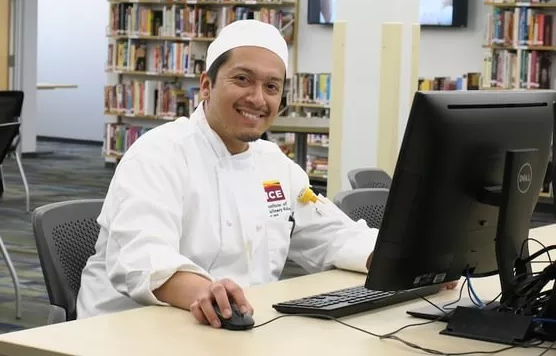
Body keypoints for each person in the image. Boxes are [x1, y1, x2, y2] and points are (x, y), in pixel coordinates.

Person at [76, 19, 454, 327]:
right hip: (136, 333)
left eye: (271, 87)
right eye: (242, 79)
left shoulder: (275, 165)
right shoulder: (159, 154)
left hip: (234, 329)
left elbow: (331, 235)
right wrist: (202, 292)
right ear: (206, 86)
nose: (258, 98)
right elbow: (142, 255)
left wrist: (409, 260)